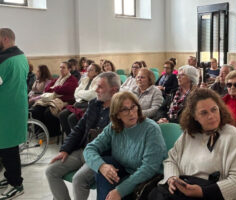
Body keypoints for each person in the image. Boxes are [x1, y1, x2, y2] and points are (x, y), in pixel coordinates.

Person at [149, 88, 236, 200]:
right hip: (186, 190)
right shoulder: (189, 134)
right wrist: (172, 177)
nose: (211, 116)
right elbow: (171, 160)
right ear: (194, 116)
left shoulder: (233, 136)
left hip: (217, 194)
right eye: (204, 113)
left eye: (214, 109)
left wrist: (202, 192)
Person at [45, 72, 120, 200]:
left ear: (114, 90)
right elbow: (79, 129)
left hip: (101, 156)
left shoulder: (119, 109)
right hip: (83, 150)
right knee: (51, 171)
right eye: (96, 86)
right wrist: (65, 149)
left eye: (100, 87)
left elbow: (113, 142)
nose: (96, 90)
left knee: (78, 179)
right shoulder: (94, 104)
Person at [84, 91, 167, 200]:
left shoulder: (151, 129)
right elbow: (89, 149)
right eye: (124, 110)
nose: (131, 113)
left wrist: (120, 191)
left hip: (149, 179)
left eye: (133, 107)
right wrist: (101, 166)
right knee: (105, 167)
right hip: (126, 170)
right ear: (117, 114)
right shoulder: (113, 127)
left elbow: (149, 168)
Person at [0, 28, 28, 199]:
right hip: (16, 109)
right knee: (7, 148)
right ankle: (9, 177)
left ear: (4, 39)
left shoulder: (4, 61)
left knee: (9, 149)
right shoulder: (22, 57)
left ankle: (17, 184)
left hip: (6, 112)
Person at [31, 61, 78, 137]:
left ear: (69, 69)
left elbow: (65, 89)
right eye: (60, 67)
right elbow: (46, 89)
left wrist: (54, 89)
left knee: (49, 112)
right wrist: (55, 89)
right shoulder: (58, 79)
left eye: (63, 67)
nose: (61, 69)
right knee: (37, 109)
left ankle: (54, 134)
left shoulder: (72, 80)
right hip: (53, 99)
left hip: (65, 101)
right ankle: (42, 130)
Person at [59, 63, 102, 136]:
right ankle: (70, 136)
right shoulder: (85, 79)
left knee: (72, 118)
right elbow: (75, 93)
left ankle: (79, 140)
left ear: (96, 72)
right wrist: (82, 94)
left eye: (91, 70)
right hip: (79, 103)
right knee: (62, 114)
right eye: (88, 70)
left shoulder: (99, 80)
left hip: (89, 105)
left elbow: (91, 95)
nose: (88, 71)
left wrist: (80, 93)